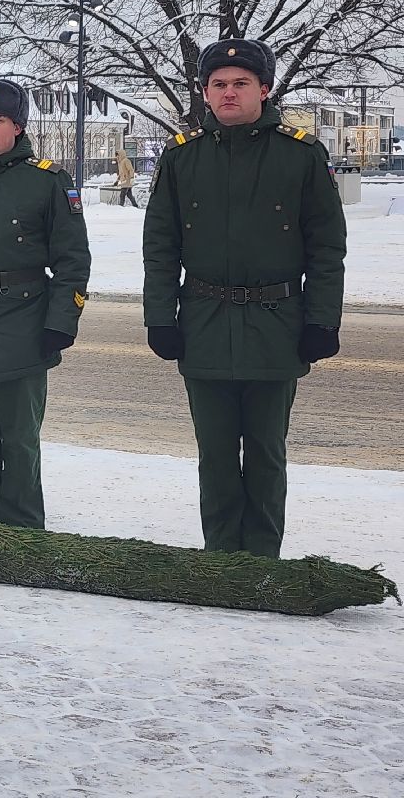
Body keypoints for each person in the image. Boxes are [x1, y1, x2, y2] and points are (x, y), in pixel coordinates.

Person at [142, 37, 346, 559]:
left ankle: (260, 561)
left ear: (265, 89)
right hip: (204, 324)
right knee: (214, 454)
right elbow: (160, 246)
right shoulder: (182, 156)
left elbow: (326, 248)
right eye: (218, 85)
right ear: (205, 92)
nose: (228, 94)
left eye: (240, 84)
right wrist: (160, 318)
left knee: (265, 452)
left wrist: (322, 321)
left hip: (278, 324)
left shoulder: (301, 154)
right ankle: (221, 560)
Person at [0, 79, 91, 530]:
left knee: (19, 443)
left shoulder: (46, 181)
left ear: (18, 126)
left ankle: (25, 535)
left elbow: (72, 260)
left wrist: (61, 321)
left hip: (23, 325)